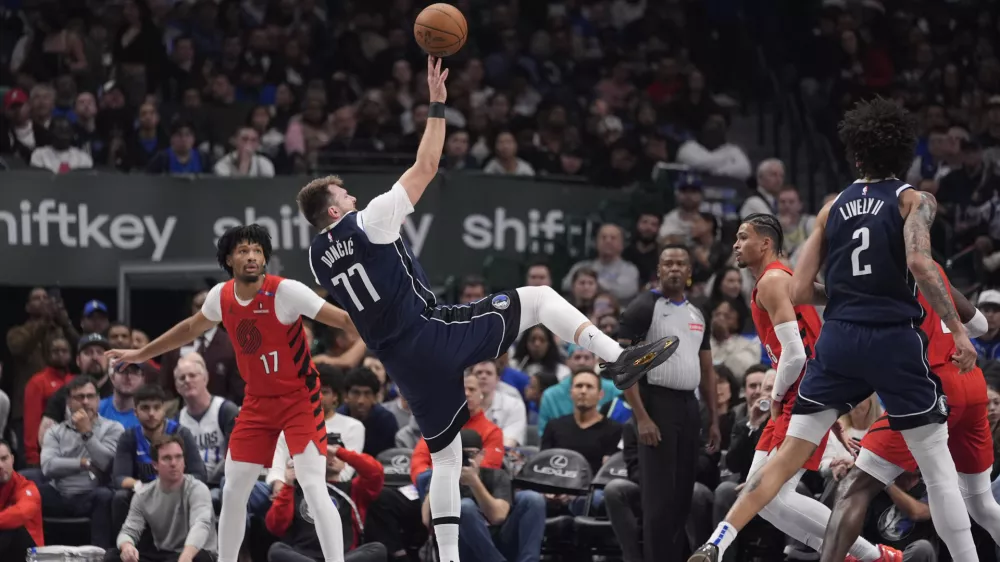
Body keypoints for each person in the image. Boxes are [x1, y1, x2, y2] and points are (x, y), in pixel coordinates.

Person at [296, 56, 677, 562]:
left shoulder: (317, 258)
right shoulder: (367, 222)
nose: (354, 194)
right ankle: (615, 358)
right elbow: (427, 165)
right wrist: (437, 103)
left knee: (447, 456)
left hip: (402, 364)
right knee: (538, 299)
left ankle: (449, 559)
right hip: (429, 331)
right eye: (346, 192)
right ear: (335, 209)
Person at [690, 98, 980, 561]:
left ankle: (719, 541)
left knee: (784, 458)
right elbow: (921, 264)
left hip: (840, 339)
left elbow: (802, 288)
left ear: (857, 155)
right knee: (938, 465)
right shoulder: (913, 199)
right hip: (893, 338)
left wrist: (847, 297)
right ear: (903, 154)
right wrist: (958, 330)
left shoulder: (831, 208)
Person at [107, 225, 365, 562]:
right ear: (229, 259)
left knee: (313, 485)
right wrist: (142, 354)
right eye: (243, 250)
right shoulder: (221, 297)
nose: (252, 256)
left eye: (257, 250)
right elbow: (188, 329)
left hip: (300, 399)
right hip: (257, 402)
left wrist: (394, 334)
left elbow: (346, 320)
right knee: (232, 491)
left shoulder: (286, 292)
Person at [819, 265, 1000, 562]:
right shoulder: (931, 267)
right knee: (981, 502)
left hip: (930, 388)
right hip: (970, 381)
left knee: (854, 487)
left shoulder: (877, 272)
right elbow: (980, 326)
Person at [617, 244, 721, 562]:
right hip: (656, 404)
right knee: (659, 502)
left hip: (689, 407)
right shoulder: (643, 307)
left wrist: (714, 419)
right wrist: (642, 418)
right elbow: (623, 366)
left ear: (689, 273)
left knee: (681, 497)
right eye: (668, 264)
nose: (674, 269)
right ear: (659, 271)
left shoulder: (697, 313)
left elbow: (707, 370)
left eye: (681, 264)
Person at [265, 435, 387, 562]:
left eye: (336, 456)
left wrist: (339, 451)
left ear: (345, 462)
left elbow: (375, 472)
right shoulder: (295, 490)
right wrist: (288, 486)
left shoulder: (355, 488)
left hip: (345, 557)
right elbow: (275, 527)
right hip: (304, 557)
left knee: (377, 549)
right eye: (324, 454)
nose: (331, 458)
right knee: (276, 550)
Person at [104, 434, 217, 562]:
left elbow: (201, 525)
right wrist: (127, 547)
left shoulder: (198, 489)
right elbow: (129, 530)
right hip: (164, 554)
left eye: (178, 457)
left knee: (200, 559)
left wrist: (187, 555)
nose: (174, 463)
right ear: (155, 465)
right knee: (113, 556)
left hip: (195, 552)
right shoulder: (143, 494)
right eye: (167, 458)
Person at [112, 384, 207, 535]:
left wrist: (172, 486)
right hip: (143, 494)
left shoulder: (181, 433)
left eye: (156, 407)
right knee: (120, 497)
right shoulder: (128, 437)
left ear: (164, 409)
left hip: (177, 492)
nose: (151, 413)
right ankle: (122, 548)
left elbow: (199, 475)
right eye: (145, 408)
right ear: (135, 412)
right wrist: (141, 486)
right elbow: (119, 478)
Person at [39, 375, 122, 548]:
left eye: (90, 396)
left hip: (91, 494)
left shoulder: (113, 428)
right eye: (79, 397)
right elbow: (48, 466)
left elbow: (107, 463)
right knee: (30, 493)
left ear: (98, 400)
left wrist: (87, 434)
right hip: (59, 493)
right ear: (69, 402)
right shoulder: (55, 432)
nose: (85, 402)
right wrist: (83, 463)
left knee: (106, 496)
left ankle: (100, 554)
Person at [175, 352, 240, 489]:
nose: (187, 380)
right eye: (182, 378)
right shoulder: (177, 420)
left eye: (192, 375)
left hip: (223, 483)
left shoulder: (226, 410)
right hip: (191, 486)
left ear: (205, 378)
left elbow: (234, 457)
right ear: (177, 387)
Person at [23, 335, 73, 466]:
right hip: (45, 451)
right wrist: (33, 456)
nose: (60, 354)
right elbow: (32, 421)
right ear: (47, 354)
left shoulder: (75, 380)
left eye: (64, 351)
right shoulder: (38, 382)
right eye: (55, 351)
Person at [338, 368, 397, 456]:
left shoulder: (386, 421)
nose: (361, 401)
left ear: (375, 397)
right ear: (346, 396)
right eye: (356, 393)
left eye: (367, 393)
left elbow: (389, 458)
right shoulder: (338, 418)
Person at [0, 439, 43, 559]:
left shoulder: (27, 487)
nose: (0, 465)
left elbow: (21, 513)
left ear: (12, 459)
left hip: (30, 554)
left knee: (12, 526)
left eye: (4, 459)